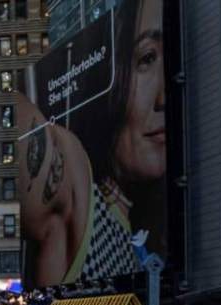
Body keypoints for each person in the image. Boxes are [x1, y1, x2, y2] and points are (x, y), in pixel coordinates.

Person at [15, 0, 167, 286]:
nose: (163, 98)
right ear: (111, 73)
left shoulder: (147, 228)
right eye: (147, 58)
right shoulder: (84, 198)